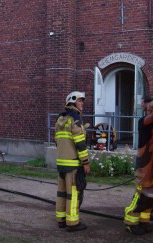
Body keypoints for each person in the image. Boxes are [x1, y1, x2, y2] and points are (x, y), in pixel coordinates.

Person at [55, 91, 90, 232]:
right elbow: (80, 143)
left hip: (61, 163)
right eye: (80, 101)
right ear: (73, 101)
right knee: (73, 194)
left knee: (62, 193)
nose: (82, 103)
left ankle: (61, 219)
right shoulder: (75, 118)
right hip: (73, 164)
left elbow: (58, 141)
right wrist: (86, 162)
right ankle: (72, 223)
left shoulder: (60, 119)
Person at [124, 97, 153, 235]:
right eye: (149, 110)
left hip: (151, 164)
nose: (149, 113)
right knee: (141, 195)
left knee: (150, 196)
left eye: (151, 110)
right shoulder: (142, 122)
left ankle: (144, 222)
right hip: (144, 163)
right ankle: (130, 222)